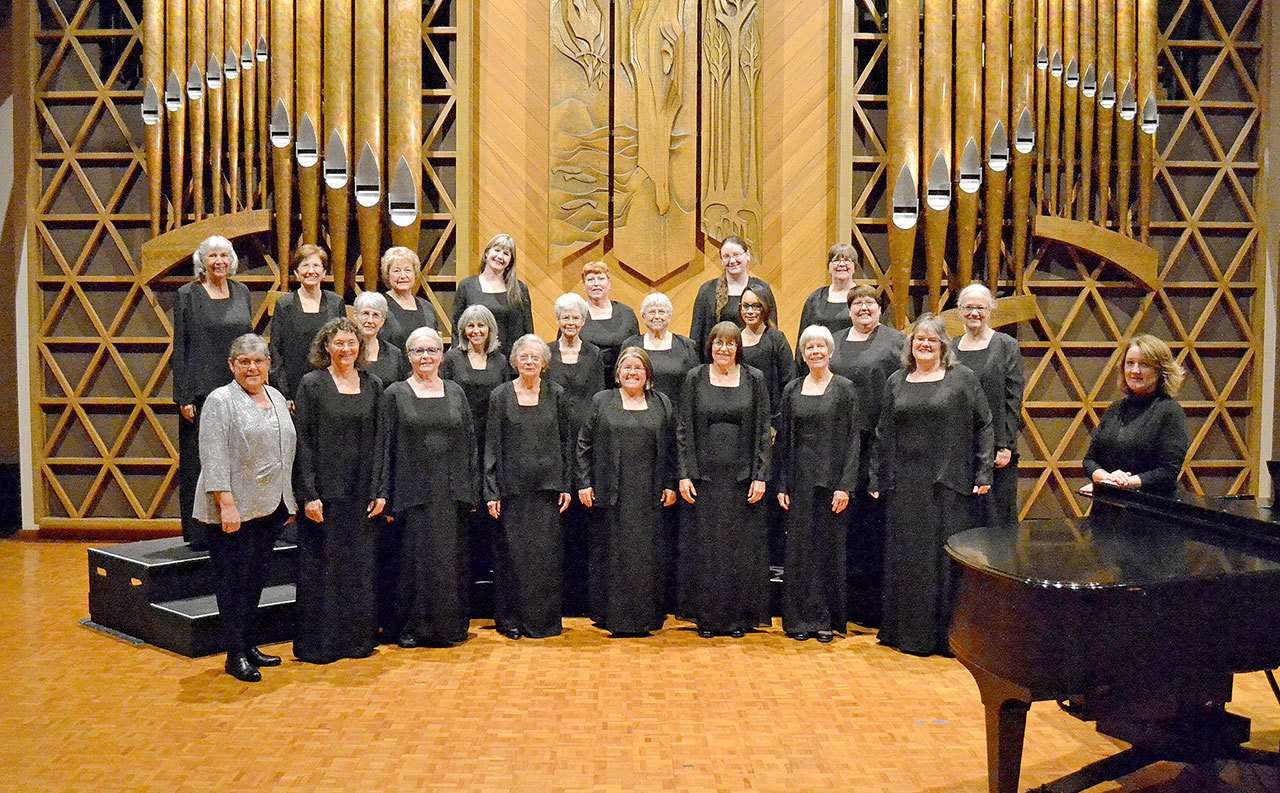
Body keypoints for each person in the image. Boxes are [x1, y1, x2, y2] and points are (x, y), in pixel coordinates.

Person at [870, 313, 993, 656]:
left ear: (943, 345)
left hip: (948, 484)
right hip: (905, 486)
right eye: (918, 340)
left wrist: (983, 473)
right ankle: (906, 634)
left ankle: (946, 638)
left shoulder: (963, 378)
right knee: (909, 559)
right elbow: (883, 433)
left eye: (931, 340)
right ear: (910, 345)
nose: (924, 345)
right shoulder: (896, 380)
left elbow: (984, 426)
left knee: (943, 561)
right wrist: (877, 476)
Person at [193, 333, 296, 682]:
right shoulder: (220, 401)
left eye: (259, 361)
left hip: (269, 506)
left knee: (255, 581)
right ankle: (234, 653)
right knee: (233, 583)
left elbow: (286, 449)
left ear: (269, 364)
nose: (252, 367)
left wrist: (289, 498)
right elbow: (212, 456)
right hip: (234, 508)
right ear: (232, 365)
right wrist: (226, 503)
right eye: (244, 362)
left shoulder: (277, 396)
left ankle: (248, 643)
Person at [373, 327, 479, 647]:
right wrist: (385, 493)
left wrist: (471, 490)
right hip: (411, 492)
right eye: (418, 351)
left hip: (449, 493)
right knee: (413, 563)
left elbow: (468, 442)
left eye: (432, 351)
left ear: (441, 356)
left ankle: (449, 626)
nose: (426, 357)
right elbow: (384, 446)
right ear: (409, 356)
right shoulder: (394, 393)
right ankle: (410, 627)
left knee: (448, 562)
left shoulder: (455, 391)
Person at [291, 318, 385, 663]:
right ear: (325, 348)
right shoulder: (311, 384)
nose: (346, 349)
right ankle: (322, 645)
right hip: (325, 494)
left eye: (351, 343)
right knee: (323, 568)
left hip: (362, 494)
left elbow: (380, 442)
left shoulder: (373, 384)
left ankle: (356, 641)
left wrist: (379, 489)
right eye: (339, 343)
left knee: (359, 568)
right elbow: (303, 442)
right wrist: (309, 494)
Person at [677, 322, 772, 638]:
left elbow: (762, 432)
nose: (724, 348)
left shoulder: (754, 379)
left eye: (730, 343)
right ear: (710, 346)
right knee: (707, 548)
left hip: (742, 480)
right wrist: (685, 474)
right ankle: (708, 618)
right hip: (704, 480)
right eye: (718, 342)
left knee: (740, 550)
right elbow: (684, 429)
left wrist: (760, 476)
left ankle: (738, 619)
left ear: (738, 348)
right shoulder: (695, 377)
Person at [576, 348, 678, 636]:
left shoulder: (662, 403)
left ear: (648, 375)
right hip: (611, 494)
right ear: (617, 373)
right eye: (626, 368)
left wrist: (671, 483)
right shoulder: (601, 401)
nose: (632, 373)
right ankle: (611, 615)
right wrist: (584, 482)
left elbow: (673, 448)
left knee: (646, 555)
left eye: (638, 368)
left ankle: (647, 615)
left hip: (650, 493)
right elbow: (584, 444)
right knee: (612, 553)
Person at [773, 326, 861, 643]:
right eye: (809, 347)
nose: (815, 351)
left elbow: (853, 441)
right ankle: (798, 621)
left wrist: (845, 486)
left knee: (827, 551)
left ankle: (825, 619)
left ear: (830, 351)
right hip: (798, 482)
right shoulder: (792, 390)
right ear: (803, 353)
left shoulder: (846, 389)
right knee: (798, 552)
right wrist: (781, 484)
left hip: (832, 483)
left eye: (821, 346)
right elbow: (783, 442)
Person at [484, 334, 573, 639]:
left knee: (545, 558)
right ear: (515, 361)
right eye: (524, 357)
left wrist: (565, 484)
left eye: (536, 357)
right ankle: (510, 619)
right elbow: (492, 445)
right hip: (511, 491)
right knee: (511, 557)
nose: (530, 362)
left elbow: (566, 441)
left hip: (547, 491)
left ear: (544, 363)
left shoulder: (557, 393)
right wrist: (491, 489)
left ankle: (544, 621)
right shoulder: (500, 395)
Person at [828, 284, 905, 625]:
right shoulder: (836, 341)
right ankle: (842, 605)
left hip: (878, 443)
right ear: (849, 310)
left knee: (872, 524)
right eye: (857, 303)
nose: (863, 308)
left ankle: (872, 608)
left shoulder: (896, 341)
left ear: (879, 308)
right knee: (842, 524)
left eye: (870, 302)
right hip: (840, 443)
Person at [174, 236, 253, 548]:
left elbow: (247, 342)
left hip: (238, 390)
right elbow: (180, 348)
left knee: (236, 458)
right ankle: (199, 533)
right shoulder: (187, 295)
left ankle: (236, 524)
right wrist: (183, 396)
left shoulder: (242, 292)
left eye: (224, 255)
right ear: (202, 261)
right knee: (200, 461)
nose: (219, 261)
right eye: (212, 256)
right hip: (201, 392)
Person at [441, 304, 513, 591]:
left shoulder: (501, 361)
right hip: (461, 441)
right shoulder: (451, 359)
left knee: (492, 508)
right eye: (470, 326)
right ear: (462, 331)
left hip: (493, 439)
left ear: (490, 330)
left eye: (481, 326)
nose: (476, 331)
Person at [547, 293, 607, 615]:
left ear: (584, 321)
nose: (570, 323)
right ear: (557, 321)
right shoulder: (546, 353)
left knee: (585, 520)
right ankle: (559, 597)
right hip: (553, 440)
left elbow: (598, 397)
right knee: (558, 519)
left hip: (586, 442)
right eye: (565, 318)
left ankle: (583, 597)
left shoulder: (595, 355)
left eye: (576, 318)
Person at [953, 283, 1024, 527]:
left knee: (994, 516)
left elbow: (1013, 399)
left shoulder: (1006, 346)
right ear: (960, 311)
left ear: (990, 310)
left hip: (996, 447)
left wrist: (1005, 445)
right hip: (959, 447)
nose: (974, 313)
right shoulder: (950, 348)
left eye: (980, 308)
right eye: (969, 307)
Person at [1082, 334, 1189, 496]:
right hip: (1108, 504)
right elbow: (1090, 460)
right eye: (1130, 363)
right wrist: (1108, 479)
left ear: (1161, 371)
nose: (1135, 371)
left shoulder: (1170, 411)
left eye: (1144, 364)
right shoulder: (1114, 409)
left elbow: (1168, 471)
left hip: (1150, 509)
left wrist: (1124, 483)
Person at [267, 244, 345, 401]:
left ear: (324, 272)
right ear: (296, 272)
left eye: (316, 265)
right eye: (305, 266)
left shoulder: (336, 303)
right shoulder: (284, 304)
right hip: (293, 388)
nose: (311, 271)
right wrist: (284, 395)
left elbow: (343, 347)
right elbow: (275, 351)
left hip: (330, 387)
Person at [451, 234, 534, 358]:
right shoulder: (466, 286)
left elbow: (528, 329)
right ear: (486, 253)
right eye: (497, 250)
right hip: (474, 360)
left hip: (510, 362)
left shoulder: (520, 289)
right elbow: (456, 326)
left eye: (506, 254)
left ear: (510, 261)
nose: (500, 256)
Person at [689, 236, 772, 358]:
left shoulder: (762, 288)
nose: (732, 260)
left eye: (736, 254)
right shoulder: (707, 291)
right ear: (722, 260)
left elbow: (771, 330)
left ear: (747, 255)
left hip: (755, 361)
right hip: (716, 363)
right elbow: (696, 337)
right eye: (726, 256)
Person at [620, 292, 700, 404]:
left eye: (661, 312)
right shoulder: (631, 345)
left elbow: (695, 384)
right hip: (640, 409)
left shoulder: (687, 346)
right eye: (652, 312)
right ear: (643, 316)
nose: (657, 316)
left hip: (677, 412)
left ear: (669, 316)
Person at [737, 283, 794, 422]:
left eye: (756, 306)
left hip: (769, 418)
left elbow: (788, 381)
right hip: (739, 415)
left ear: (765, 308)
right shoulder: (734, 339)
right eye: (745, 306)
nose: (749, 311)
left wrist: (776, 422)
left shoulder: (777, 339)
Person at [578, 261, 640, 380]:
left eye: (601, 279)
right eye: (590, 280)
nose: (596, 284)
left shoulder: (626, 313)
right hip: (585, 380)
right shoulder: (575, 314)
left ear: (609, 283)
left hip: (621, 381)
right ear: (584, 285)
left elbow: (636, 349)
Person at [794, 243, 860, 356]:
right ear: (829, 267)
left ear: (854, 267)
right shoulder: (815, 299)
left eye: (847, 260)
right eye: (836, 260)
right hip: (819, 360)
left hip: (853, 360)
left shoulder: (863, 297)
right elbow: (803, 336)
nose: (842, 264)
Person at [378, 246, 440, 352]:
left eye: (407, 270)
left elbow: (437, 342)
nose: (403, 276)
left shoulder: (426, 307)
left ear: (415, 274)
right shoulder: (379, 306)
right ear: (387, 275)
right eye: (396, 271)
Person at [353, 291, 406, 385]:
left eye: (376, 315)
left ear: (382, 321)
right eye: (365, 314)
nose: (370, 320)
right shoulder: (347, 351)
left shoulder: (394, 354)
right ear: (355, 317)